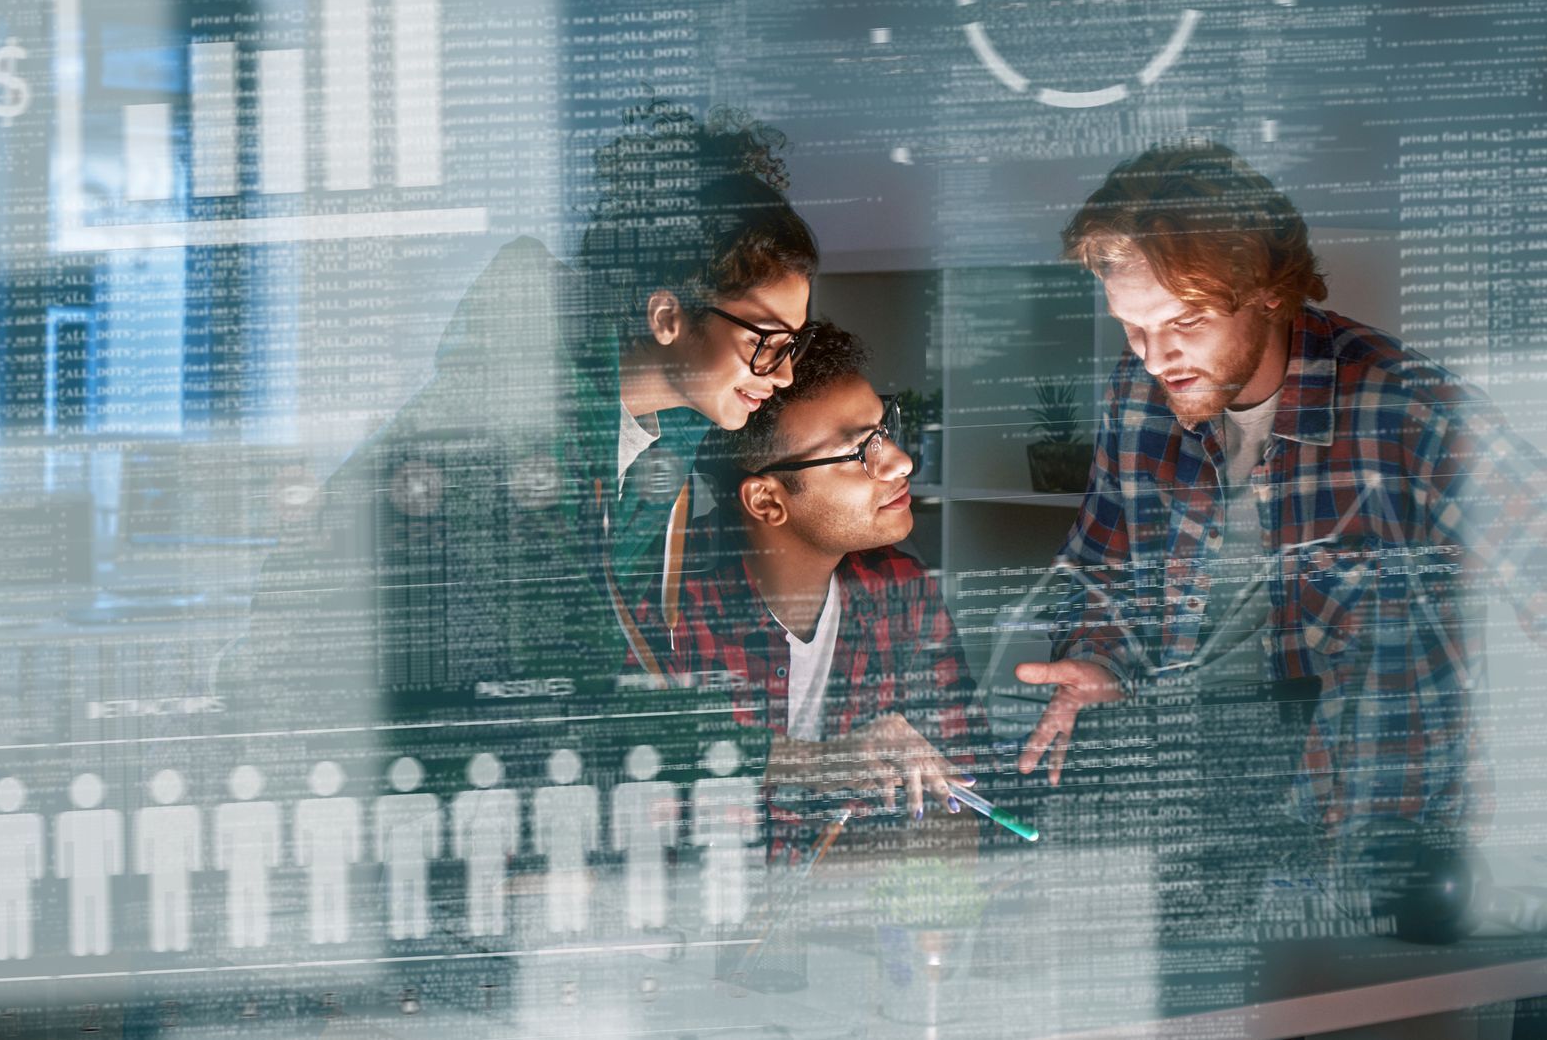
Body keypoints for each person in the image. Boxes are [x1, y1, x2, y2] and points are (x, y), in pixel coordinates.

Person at [1014, 141, 1547, 915]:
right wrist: (1097, 658)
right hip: (1200, 845)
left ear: (1266, 290)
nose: (1156, 356)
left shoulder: (1409, 409)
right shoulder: (1134, 399)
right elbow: (1099, 575)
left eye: (1186, 320)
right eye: (1132, 327)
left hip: (1380, 863)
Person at [234, 99, 820, 722]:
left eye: (793, 346)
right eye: (765, 342)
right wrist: (789, 761)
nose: (782, 374)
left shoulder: (666, 433)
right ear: (667, 317)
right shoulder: (513, 414)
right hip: (319, 720)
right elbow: (563, 653)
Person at [662, 322, 979, 853]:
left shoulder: (900, 590)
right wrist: (808, 765)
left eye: (885, 430)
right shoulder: (674, 611)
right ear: (766, 501)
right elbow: (644, 789)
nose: (901, 461)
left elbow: (960, 800)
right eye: (860, 452)